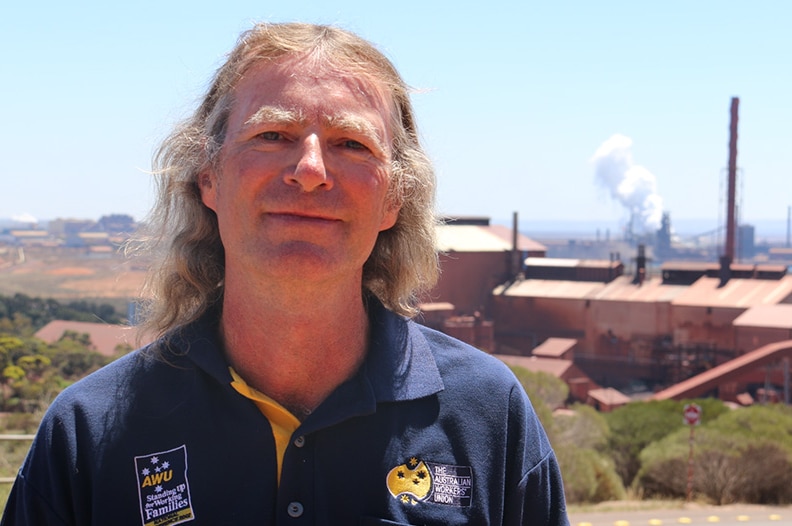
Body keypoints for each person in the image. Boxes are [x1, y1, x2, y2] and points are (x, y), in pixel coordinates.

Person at [2, 22, 569, 525]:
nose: (311, 170)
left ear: (395, 198)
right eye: (272, 135)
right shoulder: (87, 432)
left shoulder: (489, 415)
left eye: (352, 143)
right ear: (208, 176)